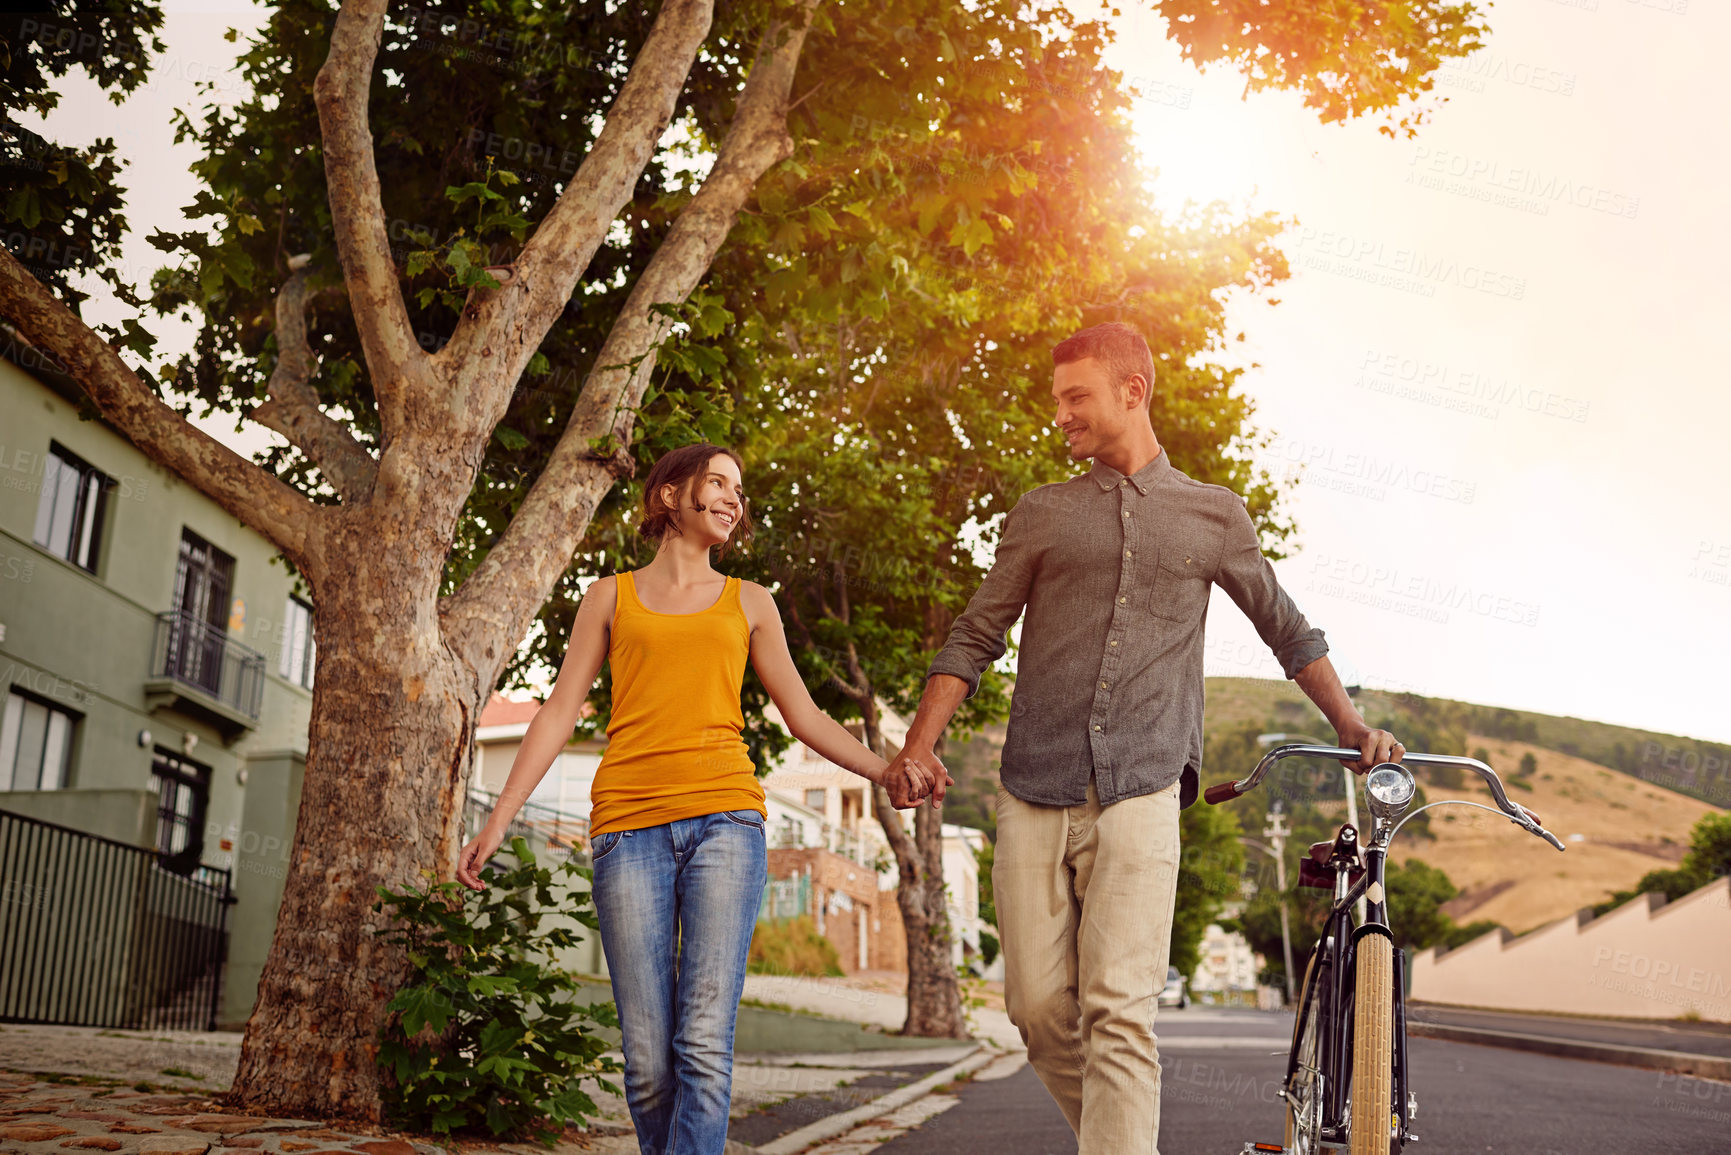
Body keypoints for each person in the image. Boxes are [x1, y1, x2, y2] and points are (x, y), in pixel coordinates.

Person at [880, 322, 1403, 1154]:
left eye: (1075, 395)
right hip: (1034, 783)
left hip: (1145, 787)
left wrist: (1351, 723)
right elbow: (976, 633)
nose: (1061, 415)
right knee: (1038, 1010)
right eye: (1056, 399)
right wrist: (918, 745)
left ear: (1134, 389)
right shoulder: (1042, 513)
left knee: (1118, 1010)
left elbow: (1287, 630)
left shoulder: (1213, 515)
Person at [457, 442, 929, 1155]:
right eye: (718, 482)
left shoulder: (751, 602)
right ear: (670, 496)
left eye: (740, 488)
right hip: (627, 827)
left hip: (725, 821)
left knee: (703, 1043)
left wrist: (886, 769)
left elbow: (805, 714)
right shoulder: (608, 595)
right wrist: (498, 819)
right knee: (648, 1063)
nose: (734, 498)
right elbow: (557, 711)